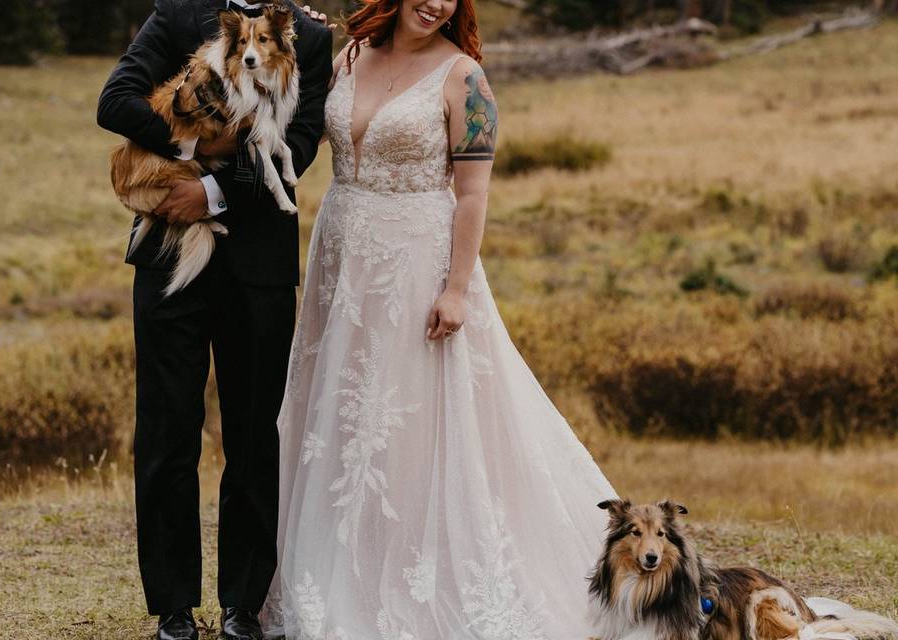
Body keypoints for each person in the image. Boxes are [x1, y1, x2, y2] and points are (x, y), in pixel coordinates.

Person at [262, 0, 617, 636]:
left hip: (417, 262)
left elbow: (474, 193)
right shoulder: (349, 55)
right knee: (339, 413)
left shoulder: (464, 78)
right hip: (341, 258)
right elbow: (296, 132)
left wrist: (456, 289)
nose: (437, 4)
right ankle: (334, 567)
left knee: (404, 419)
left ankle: (401, 579)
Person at [96, 1, 332, 638]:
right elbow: (113, 103)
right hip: (169, 254)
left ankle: (244, 606)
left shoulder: (309, 36)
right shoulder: (177, 16)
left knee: (256, 436)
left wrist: (214, 190)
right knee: (168, 429)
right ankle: (173, 608)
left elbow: (302, 144)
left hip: (258, 267)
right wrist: (195, 143)